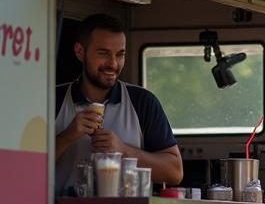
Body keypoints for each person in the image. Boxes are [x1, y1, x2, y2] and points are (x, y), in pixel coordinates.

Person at [55, 13, 182, 193]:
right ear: (79, 52)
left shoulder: (142, 101)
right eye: (103, 53)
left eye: (120, 54)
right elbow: (23, 167)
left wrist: (122, 150)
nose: (113, 64)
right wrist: (68, 135)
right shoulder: (51, 99)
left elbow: (175, 171)